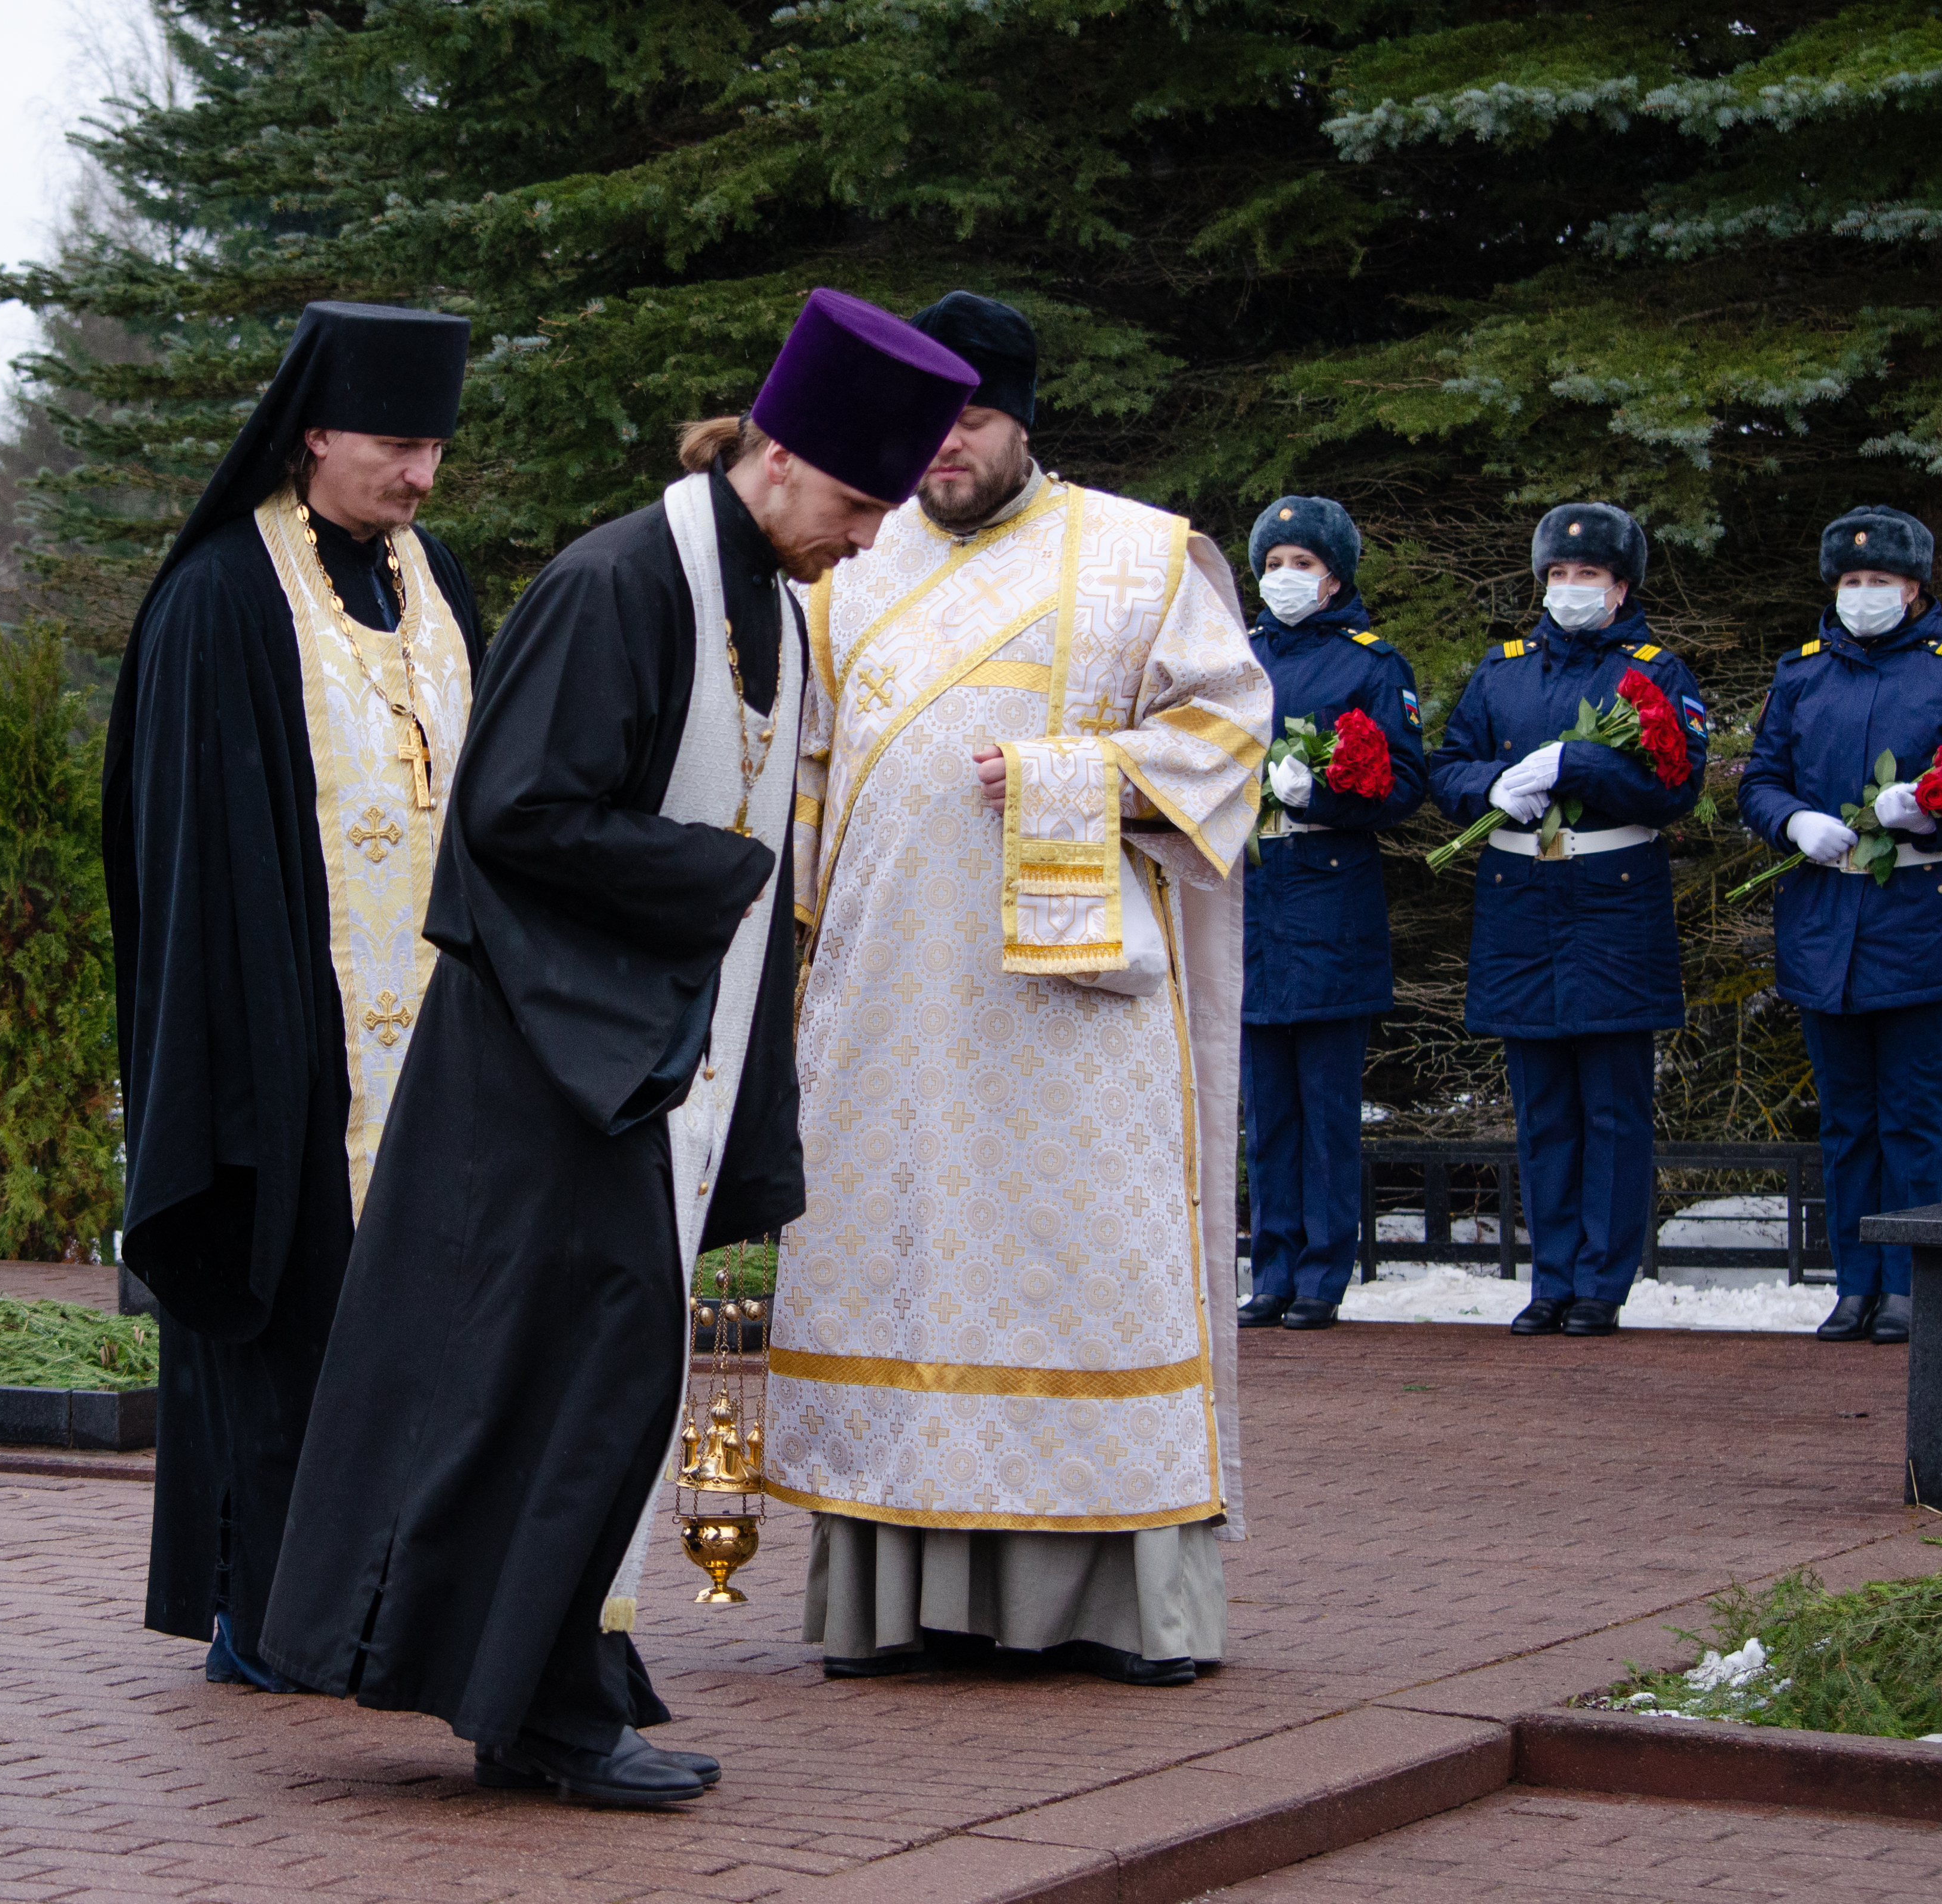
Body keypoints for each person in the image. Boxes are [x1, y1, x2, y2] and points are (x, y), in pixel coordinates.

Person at [260, 290, 976, 1804]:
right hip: (551, 1060)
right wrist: (721, 880)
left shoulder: (765, 592)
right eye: (858, 505)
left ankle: (546, 1682)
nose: (867, 540)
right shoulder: (619, 583)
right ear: (776, 456)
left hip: (647, 1061)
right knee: (572, 1386)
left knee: (580, 1388)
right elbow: (514, 819)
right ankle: (544, 1712)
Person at [760, 290, 1271, 1684]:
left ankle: (1123, 1609)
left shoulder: (1142, 553)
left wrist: (1084, 773)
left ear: (1023, 418)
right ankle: (891, 1595)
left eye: (973, 417)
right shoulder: (846, 565)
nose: (946, 448)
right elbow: (795, 784)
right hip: (885, 1008)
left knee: (1084, 1276)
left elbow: (1230, 731)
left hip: (1071, 1018)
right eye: (929, 422)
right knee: (902, 1272)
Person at [103, 301, 483, 1688]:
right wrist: (266, 1055)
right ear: (313, 433)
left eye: (436, 446)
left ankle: (400, 1609)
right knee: (295, 1339)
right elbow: (198, 858)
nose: (421, 476)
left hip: (437, 1047)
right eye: (395, 444)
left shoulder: (429, 579)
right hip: (288, 1056)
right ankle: (270, 1621)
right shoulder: (222, 598)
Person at [1737, 505, 1942, 1343]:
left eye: (1882, 581)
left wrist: (1931, 813)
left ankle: (1911, 1283)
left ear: (1915, 588)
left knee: (1910, 1112)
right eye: (1852, 581)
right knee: (1845, 1117)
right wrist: (1791, 821)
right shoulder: (1801, 674)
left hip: (1921, 921)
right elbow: (1762, 779)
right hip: (1826, 918)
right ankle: (1855, 1282)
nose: (1864, 595)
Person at [1428, 503, 1708, 1338]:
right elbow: (1444, 769)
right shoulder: (1503, 670)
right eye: (1557, 575)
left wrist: (1580, 761)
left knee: (1614, 1106)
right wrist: (1490, 788)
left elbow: (1677, 787)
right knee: (1543, 1103)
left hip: (1615, 894)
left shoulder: (1657, 672)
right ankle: (1551, 1277)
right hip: (1522, 896)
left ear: (1621, 587)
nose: (1570, 589)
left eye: (1588, 576)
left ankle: (1602, 1282)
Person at [1237, 497, 1426, 1331]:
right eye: (1274, 563)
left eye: (1301, 564)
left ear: (1335, 576)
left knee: (1324, 1107)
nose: (1285, 578)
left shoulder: (1372, 664)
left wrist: (1330, 792)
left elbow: (1406, 786)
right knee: (1264, 1110)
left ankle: (1322, 1273)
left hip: (1328, 889)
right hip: (1251, 890)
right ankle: (1271, 1267)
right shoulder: (1234, 657)